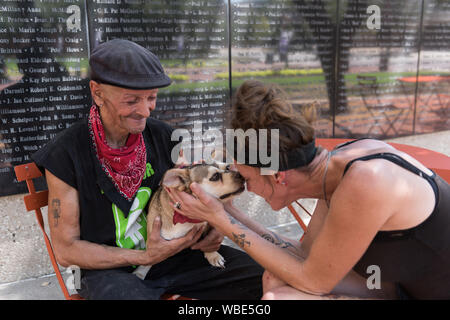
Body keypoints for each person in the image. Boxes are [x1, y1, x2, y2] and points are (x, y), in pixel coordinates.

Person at [168, 79, 450, 300]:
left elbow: (313, 282)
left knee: (282, 297)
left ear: (278, 176)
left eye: (246, 177)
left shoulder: (366, 181)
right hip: (398, 285)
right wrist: (230, 213)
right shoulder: (335, 169)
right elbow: (305, 253)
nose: (247, 187)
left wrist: (222, 222)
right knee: (275, 280)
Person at [31, 40, 264, 300]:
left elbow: (195, 194)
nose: (145, 110)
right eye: (131, 101)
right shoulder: (66, 154)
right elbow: (66, 251)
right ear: (97, 93)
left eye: (151, 98)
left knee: (264, 279)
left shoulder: (165, 136)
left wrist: (216, 228)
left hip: (178, 256)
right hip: (110, 272)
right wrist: (145, 256)